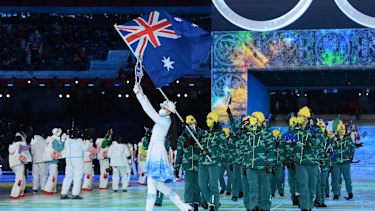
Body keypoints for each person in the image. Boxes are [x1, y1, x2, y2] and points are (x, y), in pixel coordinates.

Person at [133, 84, 191, 211]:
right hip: (156, 150)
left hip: (157, 152)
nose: (162, 109)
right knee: (160, 186)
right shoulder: (163, 119)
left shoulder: (164, 121)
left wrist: (140, 95)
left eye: (164, 107)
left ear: (169, 111)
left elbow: (149, 111)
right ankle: (183, 206)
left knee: (152, 185)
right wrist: (141, 93)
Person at [242, 112, 275, 211]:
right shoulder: (248, 133)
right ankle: (253, 207)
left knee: (264, 188)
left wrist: (270, 164)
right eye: (251, 117)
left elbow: (270, 150)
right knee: (252, 188)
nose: (251, 119)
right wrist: (244, 164)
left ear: (259, 120)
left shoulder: (266, 133)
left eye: (254, 117)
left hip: (263, 166)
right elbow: (244, 150)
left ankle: (265, 207)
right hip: (250, 166)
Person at [290, 106, 321, 211]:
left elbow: (320, 140)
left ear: (306, 117)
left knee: (312, 187)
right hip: (300, 162)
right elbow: (289, 143)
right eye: (298, 115)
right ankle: (304, 208)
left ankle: (309, 205)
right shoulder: (295, 128)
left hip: (312, 161)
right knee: (303, 185)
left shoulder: (315, 128)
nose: (298, 117)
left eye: (300, 115)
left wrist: (311, 143)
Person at [198, 112, 226, 211]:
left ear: (215, 120)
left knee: (213, 186)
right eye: (207, 118)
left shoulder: (220, 133)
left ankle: (214, 206)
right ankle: (213, 201)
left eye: (210, 118)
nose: (208, 120)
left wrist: (210, 151)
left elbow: (223, 147)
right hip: (203, 162)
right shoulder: (205, 133)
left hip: (213, 162)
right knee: (202, 185)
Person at [175, 115, 203, 211]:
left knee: (197, 185)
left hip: (198, 164)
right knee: (188, 185)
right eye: (189, 124)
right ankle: (188, 204)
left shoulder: (200, 134)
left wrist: (195, 134)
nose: (192, 125)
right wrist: (176, 168)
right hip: (187, 165)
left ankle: (196, 203)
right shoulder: (182, 138)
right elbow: (179, 153)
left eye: (193, 123)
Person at [60, 128, 88, 199]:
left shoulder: (67, 141)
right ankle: (75, 194)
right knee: (77, 177)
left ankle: (63, 193)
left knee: (68, 176)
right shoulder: (79, 141)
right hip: (78, 159)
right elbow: (85, 148)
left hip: (69, 160)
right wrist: (87, 141)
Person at [332, 123, 355, 200]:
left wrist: (351, 156)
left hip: (345, 162)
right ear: (337, 131)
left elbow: (352, 147)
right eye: (340, 130)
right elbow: (330, 148)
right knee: (336, 178)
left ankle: (349, 192)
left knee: (347, 178)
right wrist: (333, 141)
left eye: (343, 129)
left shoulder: (348, 138)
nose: (342, 131)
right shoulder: (334, 139)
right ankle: (336, 193)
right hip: (336, 162)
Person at [8, 132, 32, 198]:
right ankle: (14, 193)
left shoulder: (11, 146)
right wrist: (32, 143)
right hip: (19, 164)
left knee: (22, 177)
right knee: (19, 178)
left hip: (13, 165)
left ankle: (20, 191)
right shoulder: (20, 146)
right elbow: (27, 148)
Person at [43, 128, 64, 194]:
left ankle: (53, 188)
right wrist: (62, 142)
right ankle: (48, 189)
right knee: (52, 174)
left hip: (52, 159)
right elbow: (58, 148)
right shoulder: (55, 140)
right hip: (53, 160)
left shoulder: (51, 139)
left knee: (54, 174)